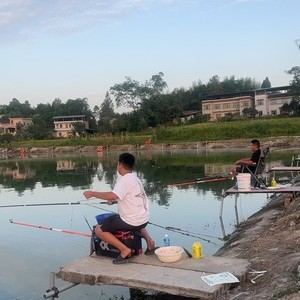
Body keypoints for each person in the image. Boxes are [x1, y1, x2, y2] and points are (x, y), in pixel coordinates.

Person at [83, 152, 156, 264]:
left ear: (120, 164)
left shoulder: (125, 180)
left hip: (132, 221)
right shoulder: (135, 178)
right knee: (136, 220)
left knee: (98, 230)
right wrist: (115, 200)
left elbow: (113, 195)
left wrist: (92, 193)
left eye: (118, 164)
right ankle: (150, 242)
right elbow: (129, 197)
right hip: (144, 220)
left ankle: (124, 250)